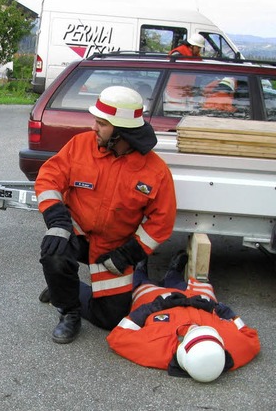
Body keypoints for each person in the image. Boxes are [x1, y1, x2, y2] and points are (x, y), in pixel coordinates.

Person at [35, 86, 177, 344]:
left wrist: (130, 253)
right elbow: (48, 178)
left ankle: (65, 290)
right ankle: (69, 311)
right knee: (54, 253)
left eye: (101, 123)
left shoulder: (154, 171)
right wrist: (57, 220)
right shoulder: (80, 145)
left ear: (121, 131)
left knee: (109, 319)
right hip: (76, 230)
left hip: (113, 248)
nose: (94, 128)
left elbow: (162, 221)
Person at [106, 251, 260, 382]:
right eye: (201, 330)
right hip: (197, 298)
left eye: (192, 332)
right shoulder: (233, 350)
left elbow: (117, 336)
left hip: (154, 301)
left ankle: (140, 269)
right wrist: (216, 308)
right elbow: (248, 334)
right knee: (179, 283)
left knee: (141, 284)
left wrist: (154, 307)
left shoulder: (156, 349)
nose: (194, 327)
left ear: (181, 349)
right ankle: (173, 273)